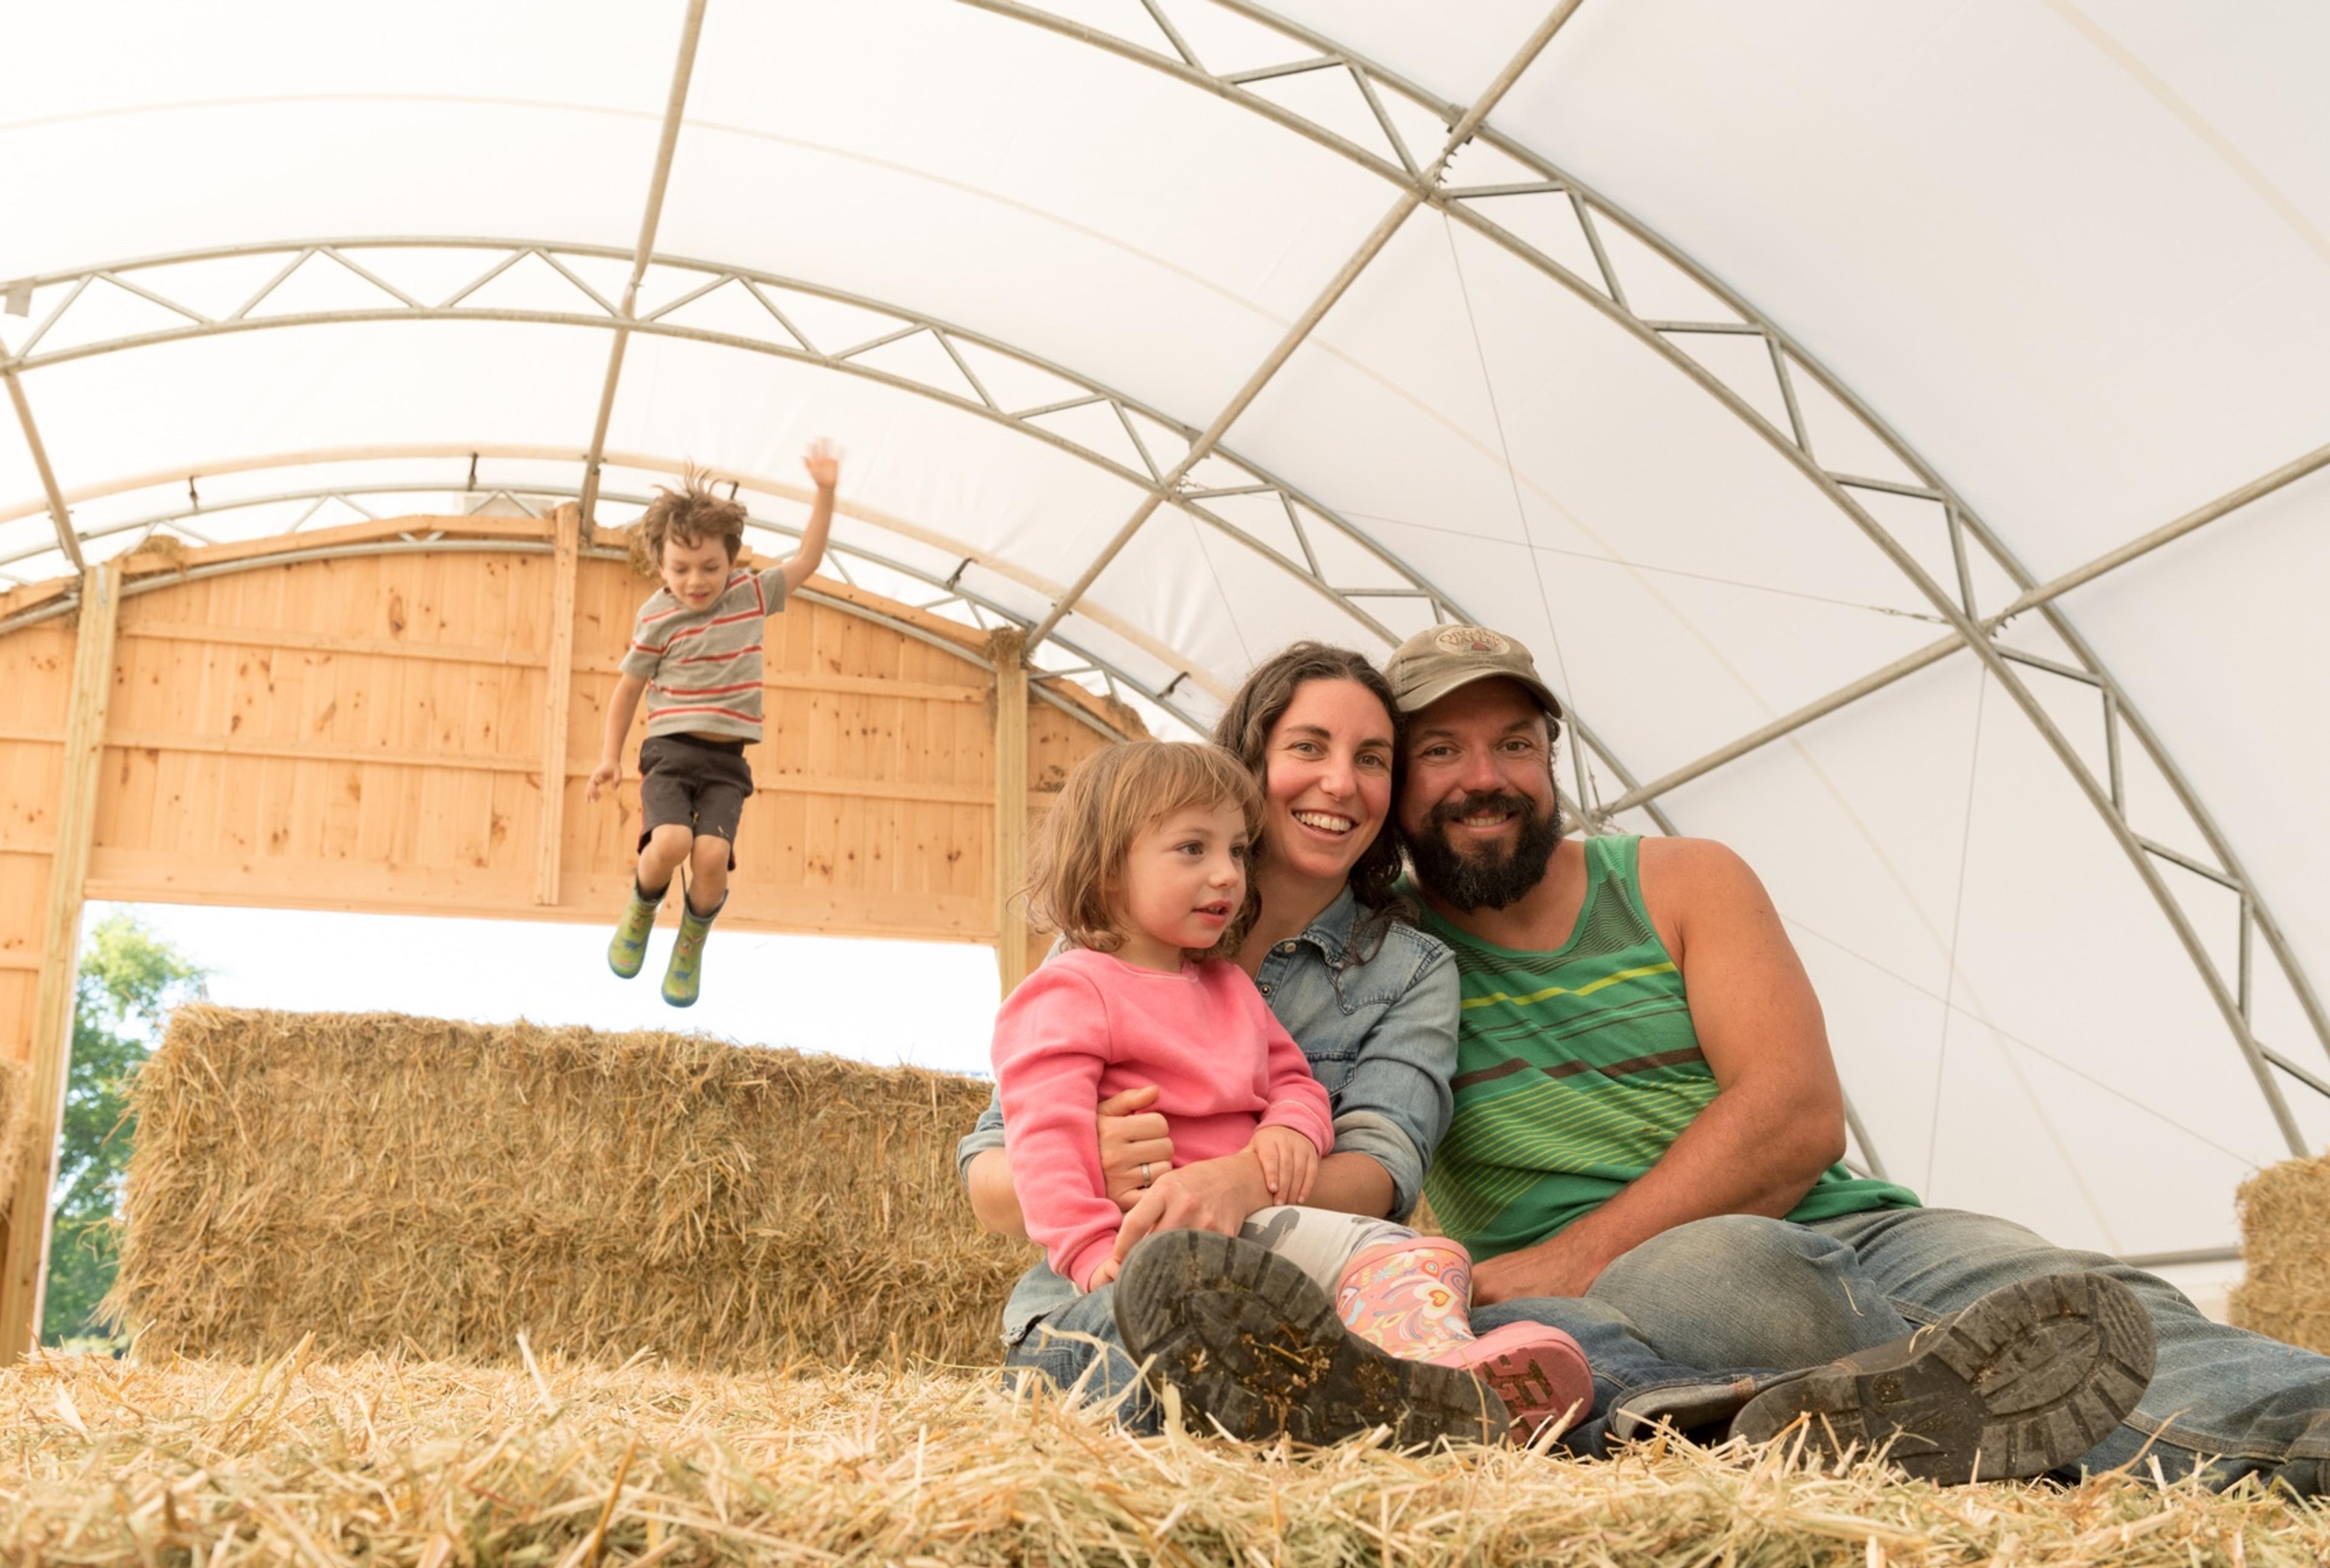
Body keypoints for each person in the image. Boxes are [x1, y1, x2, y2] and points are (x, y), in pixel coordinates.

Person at [1126, 620, 2323, 1492]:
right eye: (1437, 749)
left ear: (1553, 758)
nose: (1483, 775)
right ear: (1395, 787)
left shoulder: (1682, 880)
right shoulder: (1379, 964)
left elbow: (1797, 1116)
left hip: (1845, 1221)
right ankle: (1982, 1421)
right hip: (1668, 1282)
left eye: (1516, 741)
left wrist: (1557, 1259)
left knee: (2073, 1293)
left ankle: (2290, 1426)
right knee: (1747, 1276)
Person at [960, 643, 1589, 1444]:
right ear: (1251, 760)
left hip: (1298, 1289)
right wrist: (1094, 1167)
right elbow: (992, 1176)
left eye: (1372, 759)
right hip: (1100, 1300)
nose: (1339, 782)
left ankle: (1420, 1387)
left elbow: (1381, 1169)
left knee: (1411, 1277)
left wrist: (1245, 1175)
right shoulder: (1107, 948)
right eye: (1307, 747)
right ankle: (1369, 1415)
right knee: (1161, 1348)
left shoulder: (1410, 967)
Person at [587, 442, 840, 1006]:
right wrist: (609, 757)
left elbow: (809, 558)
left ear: (734, 558)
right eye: (680, 569)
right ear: (660, 565)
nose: (695, 581)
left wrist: (824, 491)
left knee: (709, 859)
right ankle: (642, 905)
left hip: (728, 761)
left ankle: (691, 943)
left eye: (710, 568)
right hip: (670, 752)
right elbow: (628, 688)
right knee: (672, 840)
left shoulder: (753, 595)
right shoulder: (656, 615)